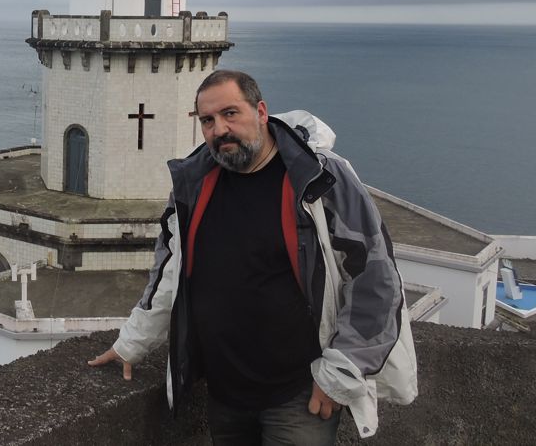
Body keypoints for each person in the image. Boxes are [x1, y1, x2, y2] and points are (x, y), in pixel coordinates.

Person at [88, 69, 413, 444]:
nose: (219, 129)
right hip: (225, 392)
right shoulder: (194, 183)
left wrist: (340, 374)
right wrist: (131, 343)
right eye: (207, 120)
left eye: (230, 113)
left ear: (260, 111)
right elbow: (169, 273)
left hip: (300, 393)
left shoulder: (318, 176)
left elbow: (375, 279)